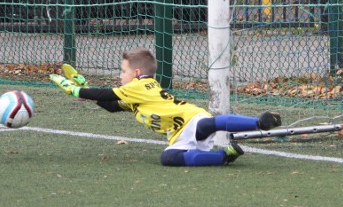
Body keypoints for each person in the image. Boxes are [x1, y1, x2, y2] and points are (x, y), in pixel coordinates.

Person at [49, 48, 281, 166]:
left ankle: (259, 122)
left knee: (211, 124)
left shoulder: (141, 85)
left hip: (189, 117)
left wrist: (76, 90)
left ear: (137, 73)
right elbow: (112, 105)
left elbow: (106, 93)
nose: (120, 76)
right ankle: (224, 157)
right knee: (168, 159)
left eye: (123, 71)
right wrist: (87, 92)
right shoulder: (135, 95)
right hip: (179, 134)